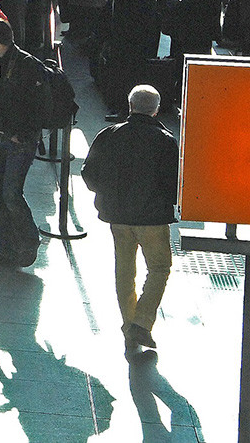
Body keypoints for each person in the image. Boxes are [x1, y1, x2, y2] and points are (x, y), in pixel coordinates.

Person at [80, 84, 179, 359]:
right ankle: (141, 322)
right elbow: (174, 185)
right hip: (152, 219)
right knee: (159, 268)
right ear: (156, 109)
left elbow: (89, 173)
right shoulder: (165, 140)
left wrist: (106, 193)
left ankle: (128, 327)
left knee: (124, 270)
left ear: (129, 105)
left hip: (118, 217)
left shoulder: (109, 135)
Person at [0, 18, 44, 268]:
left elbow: (38, 106)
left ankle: (29, 241)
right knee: (0, 194)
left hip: (20, 140)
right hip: (2, 134)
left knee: (11, 194)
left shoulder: (27, 65)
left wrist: (23, 133)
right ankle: (6, 248)